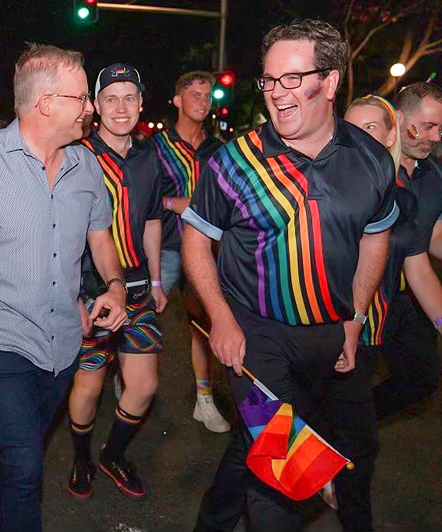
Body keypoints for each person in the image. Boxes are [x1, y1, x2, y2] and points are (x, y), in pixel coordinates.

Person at [182, 20, 397, 529]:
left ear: (331, 82)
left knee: (347, 447)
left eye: (292, 79)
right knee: (282, 478)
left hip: (332, 334)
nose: (277, 94)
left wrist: (355, 316)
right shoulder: (234, 162)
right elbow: (195, 243)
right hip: (257, 339)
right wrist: (221, 319)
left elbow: (376, 235)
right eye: (270, 80)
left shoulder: (370, 160)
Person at [0, 44, 127, 532]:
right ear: (45, 103)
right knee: (25, 465)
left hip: (63, 341)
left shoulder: (87, 167)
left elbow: (100, 236)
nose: (90, 108)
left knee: (22, 461)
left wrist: (116, 285)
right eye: (82, 97)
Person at [323, 93, 442, 531]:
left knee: (359, 442)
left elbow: (421, 271)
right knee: (261, 448)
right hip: (312, 332)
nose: (359, 137)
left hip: (368, 330)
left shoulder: (404, 203)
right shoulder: (320, 187)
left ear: (389, 134)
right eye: (351, 128)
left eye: (372, 127)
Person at [66, 63, 166, 501]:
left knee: (144, 385)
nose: (121, 106)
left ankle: (113, 453)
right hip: (90, 293)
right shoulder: (77, 155)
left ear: (141, 104)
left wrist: (158, 279)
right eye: (111, 98)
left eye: (130, 97)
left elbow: (152, 220)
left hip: (139, 289)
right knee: (88, 384)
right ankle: (82, 458)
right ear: (95, 106)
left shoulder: (150, 156)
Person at [151, 71, 228, 433]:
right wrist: (172, 201)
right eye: (193, 94)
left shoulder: (218, 150)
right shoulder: (155, 147)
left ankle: (204, 400)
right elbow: (142, 200)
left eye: (206, 95)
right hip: (167, 246)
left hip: (207, 250)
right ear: (178, 100)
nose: (201, 100)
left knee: (204, 325)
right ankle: (129, 379)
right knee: (144, 318)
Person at [373, 82, 442, 420]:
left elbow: (432, 236)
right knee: (339, 381)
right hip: (366, 300)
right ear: (398, 118)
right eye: (428, 126)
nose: (436, 136)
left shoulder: (434, 175)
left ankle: (351, 425)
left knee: (422, 377)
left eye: (441, 128)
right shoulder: (372, 171)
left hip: (411, 301)